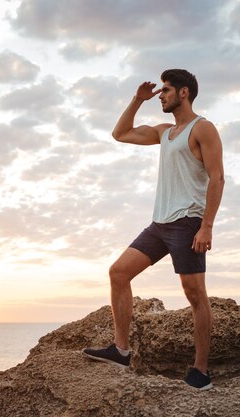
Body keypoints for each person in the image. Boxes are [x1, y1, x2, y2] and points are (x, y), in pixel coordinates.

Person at [82, 69, 225, 390]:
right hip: (160, 224)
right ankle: (120, 350)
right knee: (118, 273)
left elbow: (217, 178)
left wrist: (207, 226)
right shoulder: (164, 132)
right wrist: (136, 100)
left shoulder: (203, 128)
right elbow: (120, 134)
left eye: (166, 90)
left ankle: (201, 370)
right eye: (159, 91)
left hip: (188, 222)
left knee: (195, 295)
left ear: (184, 93)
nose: (160, 95)